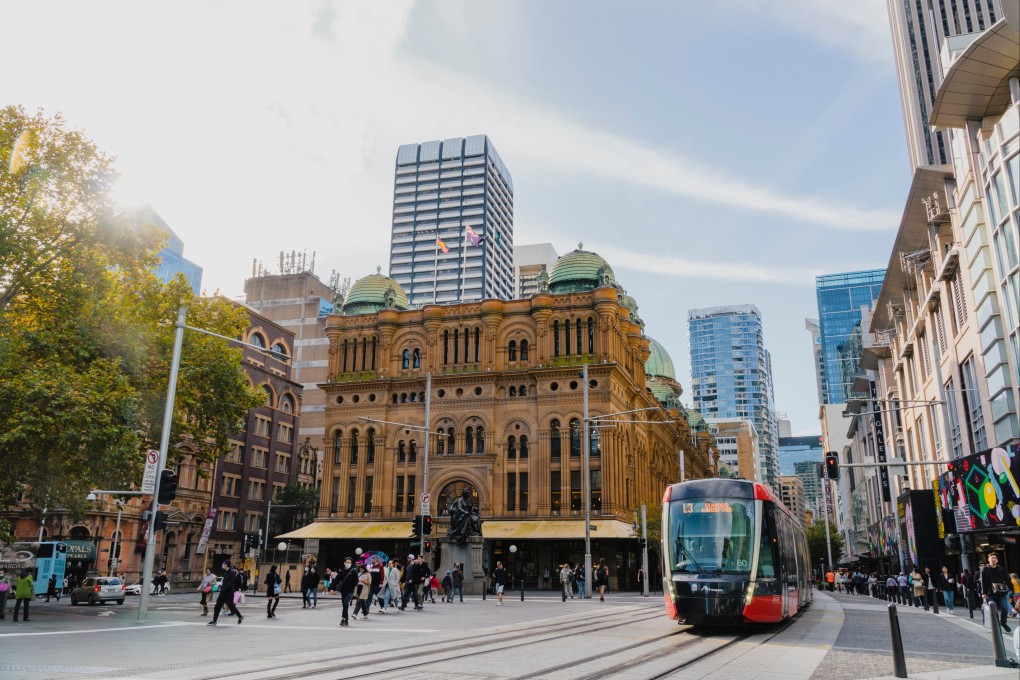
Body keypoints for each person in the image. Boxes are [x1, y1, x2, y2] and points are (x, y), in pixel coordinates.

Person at [980, 552, 1012, 633]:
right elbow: (983, 582)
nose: (993, 559)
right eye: (992, 558)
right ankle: (996, 625)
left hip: (1001, 592)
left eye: (995, 558)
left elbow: (1008, 579)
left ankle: (1003, 622)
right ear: (988, 559)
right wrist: (984, 593)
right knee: (993, 610)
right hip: (990, 593)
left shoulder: (1001, 569)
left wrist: (1009, 589)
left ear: (997, 560)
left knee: (1005, 608)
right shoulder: (985, 569)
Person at [329, 557, 358, 626]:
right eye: (347, 562)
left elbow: (356, 581)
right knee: (345, 606)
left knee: (345, 604)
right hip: (343, 591)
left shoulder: (353, 571)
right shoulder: (341, 572)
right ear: (344, 563)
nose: (348, 564)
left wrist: (351, 587)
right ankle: (346, 620)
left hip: (350, 591)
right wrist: (332, 588)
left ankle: (343, 619)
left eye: (350, 562)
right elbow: (336, 581)